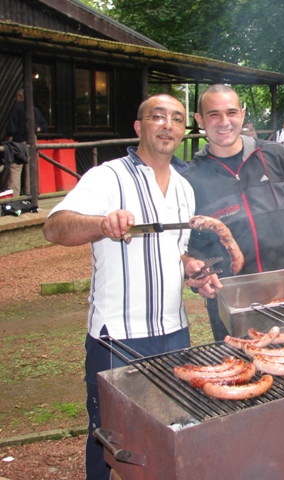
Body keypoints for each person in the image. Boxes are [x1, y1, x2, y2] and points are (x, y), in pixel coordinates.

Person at [43, 94, 195, 480]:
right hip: (118, 338)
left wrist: (193, 270)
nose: (167, 125)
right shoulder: (107, 176)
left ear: (183, 130)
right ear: (139, 126)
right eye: (157, 117)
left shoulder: (183, 187)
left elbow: (175, 252)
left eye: (176, 119)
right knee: (110, 438)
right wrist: (101, 224)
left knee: (172, 429)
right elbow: (54, 227)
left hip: (174, 332)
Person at [182, 84, 284, 342]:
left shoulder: (274, 154)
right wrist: (197, 274)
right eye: (213, 114)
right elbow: (188, 246)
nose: (224, 122)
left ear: (242, 113)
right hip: (233, 303)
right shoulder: (190, 179)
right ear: (199, 120)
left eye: (231, 112)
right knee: (241, 373)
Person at [3, 89, 48, 195]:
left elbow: (11, 129)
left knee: (15, 171)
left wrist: (9, 140)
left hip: (18, 143)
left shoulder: (16, 108)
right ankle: (31, 196)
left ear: (20, 96)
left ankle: (14, 197)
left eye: (16, 96)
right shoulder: (34, 110)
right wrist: (37, 129)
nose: (15, 98)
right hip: (31, 143)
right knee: (31, 171)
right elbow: (44, 126)